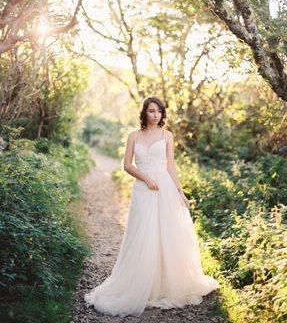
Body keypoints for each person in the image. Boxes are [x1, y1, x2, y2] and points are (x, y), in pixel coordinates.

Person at [84, 95, 220, 317]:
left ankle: (164, 284)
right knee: (143, 233)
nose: (155, 115)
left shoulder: (167, 136)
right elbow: (126, 165)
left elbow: (171, 167)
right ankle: (140, 283)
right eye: (151, 111)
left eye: (158, 111)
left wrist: (180, 192)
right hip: (143, 190)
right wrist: (145, 178)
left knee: (166, 233)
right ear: (144, 113)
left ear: (162, 113)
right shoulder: (134, 136)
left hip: (164, 188)